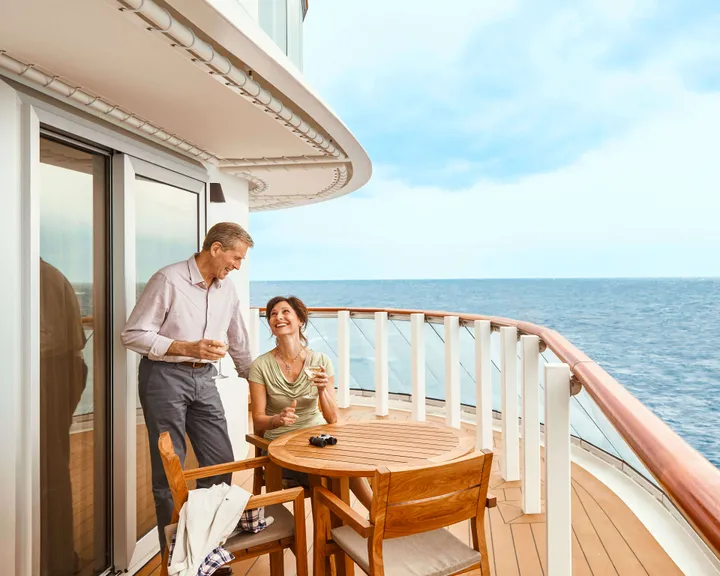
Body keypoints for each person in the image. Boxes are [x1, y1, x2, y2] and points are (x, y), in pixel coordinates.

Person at [121, 222, 254, 552]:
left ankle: (204, 546)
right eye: (235, 258)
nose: (237, 266)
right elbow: (133, 334)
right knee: (171, 468)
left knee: (221, 460)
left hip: (205, 378)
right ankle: (176, 557)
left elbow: (237, 340)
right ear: (215, 249)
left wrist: (257, 381)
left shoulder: (228, 290)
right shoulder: (168, 279)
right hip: (164, 378)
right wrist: (187, 347)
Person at [248, 296, 373, 510]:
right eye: (273, 314)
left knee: (350, 464)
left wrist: (323, 390)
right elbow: (259, 422)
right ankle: (379, 520)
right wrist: (277, 420)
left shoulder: (321, 361)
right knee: (337, 473)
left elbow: (332, 418)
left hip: (317, 440)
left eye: (285, 312)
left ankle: (376, 519)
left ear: (300, 320)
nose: (278, 317)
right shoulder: (260, 365)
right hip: (282, 448)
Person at [39, 258, 88, 575]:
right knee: (52, 472)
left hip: (50, 379)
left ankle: (55, 562)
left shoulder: (39, 279)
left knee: (50, 475)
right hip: (62, 374)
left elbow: (45, 340)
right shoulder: (51, 276)